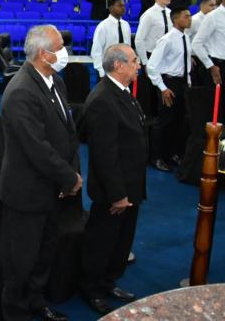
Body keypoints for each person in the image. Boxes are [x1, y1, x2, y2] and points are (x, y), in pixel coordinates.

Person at [0, 25, 81, 321]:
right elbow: (37, 147)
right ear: (45, 54)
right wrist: (69, 177)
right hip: (27, 192)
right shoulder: (21, 90)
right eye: (60, 46)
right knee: (21, 261)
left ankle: (36, 302)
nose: (65, 52)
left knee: (44, 253)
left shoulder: (54, 80)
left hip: (51, 188)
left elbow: (65, 132)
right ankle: (16, 312)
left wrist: (66, 174)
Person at [79, 44, 147, 316]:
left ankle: (108, 281)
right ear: (119, 65)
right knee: (102, 242)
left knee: (121, 241)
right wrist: (118, 194)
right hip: (113, 191)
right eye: (133, 61)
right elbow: (104, 155)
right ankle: (91, 289)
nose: (138, 65)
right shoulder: (103, 100)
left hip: (131, 185)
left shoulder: (123, 93)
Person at [146, 7, 199, 171]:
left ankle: (171, 154)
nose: (190, 19)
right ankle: (156, 157)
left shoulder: (186, 37)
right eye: (186, 16)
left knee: (178, 122)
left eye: (190, 16)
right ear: (176, 19)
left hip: (182, 84)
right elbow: (152, 67)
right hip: (168, 84)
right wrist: (163, 88)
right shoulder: (166, 40)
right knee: (164, 122)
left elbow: (185, 63)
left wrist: (188, 82)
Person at [191, 0, 225, 92]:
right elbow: (196, 43)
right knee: (218, 104)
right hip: (219, 65)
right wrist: (210, 66)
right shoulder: (213, 16)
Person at [91, 0, 131, 78]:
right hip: (108, 69)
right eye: (119, 5)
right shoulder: (103, 26)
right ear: (111, 8)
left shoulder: (126, 25)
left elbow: (128, 47)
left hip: (123, 68)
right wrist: (101, 72)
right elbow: (96, 51)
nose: (123, 8)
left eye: (123, 5)